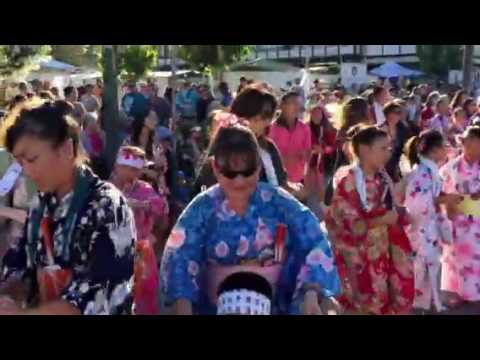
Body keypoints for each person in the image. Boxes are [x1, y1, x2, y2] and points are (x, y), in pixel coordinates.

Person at [160, 125, 341, 315]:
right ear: (214, 167)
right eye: (229, 172)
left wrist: (311, 293)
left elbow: (315, 243)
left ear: (259, 166)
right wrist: (183, 307)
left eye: (247, 172)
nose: (239, 181)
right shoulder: (202, 208)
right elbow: (180, 258)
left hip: (273, 305)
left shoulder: (279, 202)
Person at [0, 100, 135, 315]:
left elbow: (95, 295)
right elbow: (20, 266)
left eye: (32, 159)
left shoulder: (107, 205)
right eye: (20, 162)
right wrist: (7, 293)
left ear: (66, 149)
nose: (26, 171)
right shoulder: (40, 205)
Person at [325, 125, 414, 315]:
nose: (388, 152)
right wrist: (383, 219)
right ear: (365, 150)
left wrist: (400, 213)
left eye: (389, 148)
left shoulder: (381, 177)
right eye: (383, 148)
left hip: (381, 250)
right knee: (363, 303)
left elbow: (388, 207)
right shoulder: (348, 181)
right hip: (358, 255)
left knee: (383, 299)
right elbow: (347, 224)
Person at [193, 85, 291, 197]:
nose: (265, 122)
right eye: (260, 116)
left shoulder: (268, 148)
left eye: (268, 116)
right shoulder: (223, 148)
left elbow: (281, 182)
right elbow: (208, 191)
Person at [404, 130, 461, 313]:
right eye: (444, 146)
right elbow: (420, 201)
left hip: (429, 224)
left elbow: (431, 195)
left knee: (431, 264)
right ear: (435, 150)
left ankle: (429, 303)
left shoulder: (429, 169)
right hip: (422, 225)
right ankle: (420, 304)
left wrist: (445, 198)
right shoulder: (421, 171)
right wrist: (444, 199)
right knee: (423, 265)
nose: (446, 150)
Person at [110, 146, 168, 314]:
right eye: (131, 169)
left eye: (137, 170)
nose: (134, 174)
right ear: (118, 167)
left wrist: (142, 205)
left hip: (142, 253)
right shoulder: (105, 189)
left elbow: (161, 207)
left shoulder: (144, 189)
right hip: (114, 254)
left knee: (144, 300)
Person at [439, 126, 480, 307]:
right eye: (471, 142)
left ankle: (475, 293)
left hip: (478, 216)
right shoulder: (451, 167)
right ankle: (462, 293)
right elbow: (441, 192)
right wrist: (448, 204)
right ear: (465, 143)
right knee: (460, 258)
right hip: (459, 218)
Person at [269, 91, 312, 183]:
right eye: (293, 103)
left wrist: (304, 155)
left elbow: (308, 152)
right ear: (282, 106)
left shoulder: (305, 128)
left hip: (299, 179)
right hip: (277, 180)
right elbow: (268, 156)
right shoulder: (271, 128)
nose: (297, 107)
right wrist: (285, 159)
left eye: (299, 104)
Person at [304, 104, 337, 219]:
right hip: (309, 164)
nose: (316, 116)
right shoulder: (306, 127)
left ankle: (323, 215)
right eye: (314, 113)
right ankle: (312, 215)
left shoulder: (329, 129)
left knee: (322, 191)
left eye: (318, 113)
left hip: (324, 165)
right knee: (310, 190)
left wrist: (324, 149)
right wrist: (312, 149)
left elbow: (333, 146)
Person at [380, 101, 409, 183]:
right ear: (387, 114)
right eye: (394, 112)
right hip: (384, 162)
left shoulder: (403, 128)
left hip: (399, 162)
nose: (397, 115)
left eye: (399, 113)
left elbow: (405, 146)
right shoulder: (380, 129)